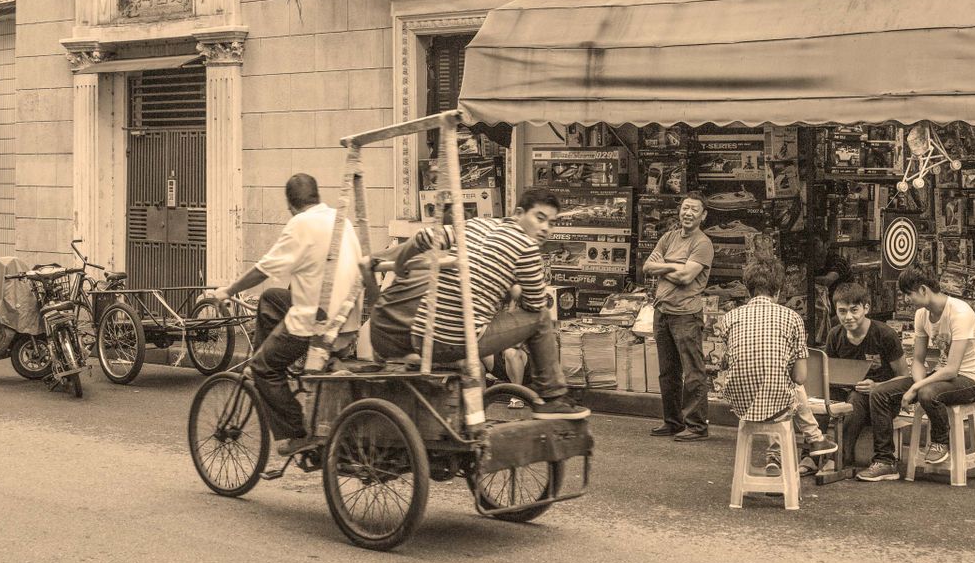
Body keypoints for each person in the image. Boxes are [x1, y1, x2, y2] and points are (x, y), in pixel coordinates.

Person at [369, 186, 588, 420]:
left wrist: (400, 264)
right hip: (456, 342)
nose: (545, 228)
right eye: (539, 218)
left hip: (422, 337)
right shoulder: (527, 247)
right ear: (519, 213)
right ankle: (553, 397)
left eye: (551, 223)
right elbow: (534, 306)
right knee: (542, 317)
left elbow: (423, 237)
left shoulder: (475, 225)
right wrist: (514, 287)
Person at [206, 173, 374, 457]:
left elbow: (263, 269)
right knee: (272, 298)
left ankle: (297, 432)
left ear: (291, 206)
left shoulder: (300, 224)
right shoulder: (341, 220)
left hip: (318, 322)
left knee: (264, 368)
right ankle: (266, 354)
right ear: (317, 196)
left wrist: (229, 290)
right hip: (347, 321)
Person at [718, 253, 837, 476]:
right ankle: (814, 438)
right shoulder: (792, 318)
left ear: (747, 290)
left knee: (773, 384)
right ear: (779, 291)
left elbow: (726, 362)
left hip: (739, 402)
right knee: (789, 387)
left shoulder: (729, 318)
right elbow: (800, 377)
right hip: (777, 402)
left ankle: (776, 456)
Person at [884, 265, 975, 467]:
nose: (907, 299)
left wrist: (917, 387)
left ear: (924, 290)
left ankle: (940, 441)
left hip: (970, 381)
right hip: (940, 377)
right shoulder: (921, 315)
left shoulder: (960, 312)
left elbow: (952, 369)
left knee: (927, 393)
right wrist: (918, 383)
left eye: (909, 294)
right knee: (882, 392)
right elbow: (918, 360)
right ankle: (883, 458)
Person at [642, 193, 715, 441]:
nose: (688, 213)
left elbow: (686, 277)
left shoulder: (702, 243)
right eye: (685, 208)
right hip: (662, 311)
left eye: (694, 209)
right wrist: (676, 266)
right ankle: (673, 421)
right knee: (668, 371)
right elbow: (647, 267)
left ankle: (697, 426)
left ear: (703, 216)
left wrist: (664, 266)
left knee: (693, 372)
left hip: (686, 314)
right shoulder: (669, 237)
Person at [821, 282, 911, 481]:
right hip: (847, 395)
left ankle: (845, 457)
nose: (848, 317)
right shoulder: (835, 335)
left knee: (857, 397)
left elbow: (905, 377)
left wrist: (877, 386)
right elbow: (830, 374)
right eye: (842, 311)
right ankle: (811, 454)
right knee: (819, 394)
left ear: (866, 308)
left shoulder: (884, 334)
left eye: (854, 310)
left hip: (881, 403)